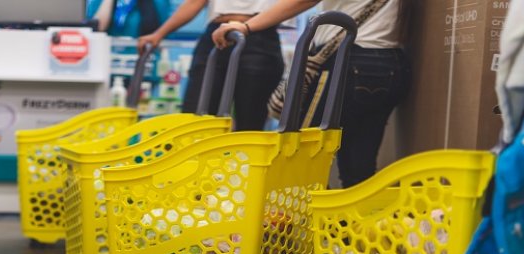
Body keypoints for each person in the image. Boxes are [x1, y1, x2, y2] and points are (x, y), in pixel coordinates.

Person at [213, 0, 411, 188]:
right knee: (359, 167)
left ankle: (311, 219)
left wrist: (246, 27)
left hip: (347, 59)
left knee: (301, 155)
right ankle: (353, 221)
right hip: (390, 63)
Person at [137, 0, 285, 131]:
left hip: (260, 34)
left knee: (250, 123)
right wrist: (159, 34)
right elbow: (194, 2)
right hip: (216, 34)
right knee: (195, 118)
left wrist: (246, 27)